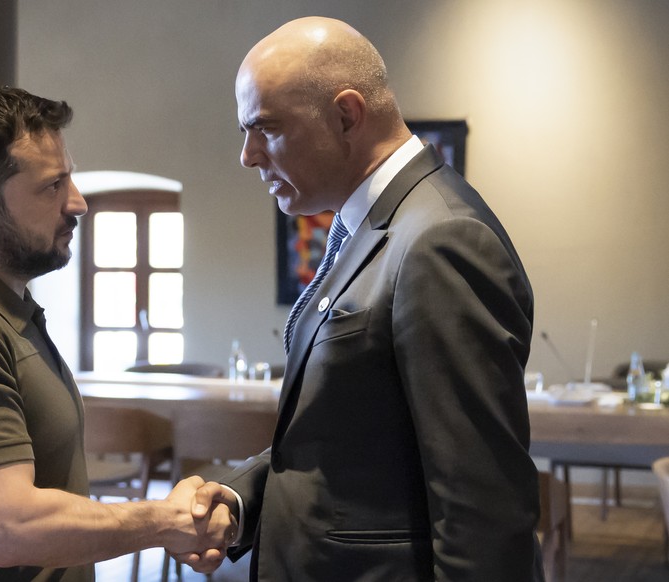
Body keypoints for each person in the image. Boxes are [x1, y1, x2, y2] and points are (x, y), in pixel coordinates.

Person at [185, 16, 545, 581]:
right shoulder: (376, 227)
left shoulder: (439, 238)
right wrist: (240, 499)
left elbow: (482, 506)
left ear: (347, 115)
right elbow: (347, 440)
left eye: (266, 128)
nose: (248, 156)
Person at [0, 85, 234, 581]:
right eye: (51, 187)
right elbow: (8, 526)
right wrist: (164, 520)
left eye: (70, 179)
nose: (78, 203)